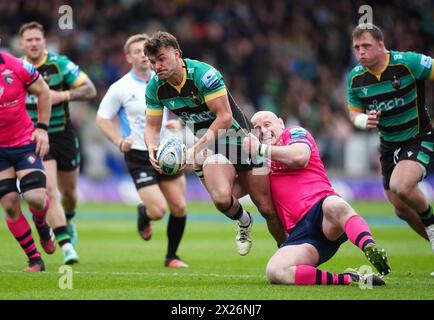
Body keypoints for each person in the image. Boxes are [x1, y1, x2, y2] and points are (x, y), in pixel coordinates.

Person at [143, 31, 287, 256]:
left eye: (161, 59)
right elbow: (152, 127)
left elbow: (225, 118)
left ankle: (286, 252)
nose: (156, 66)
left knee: (267, 208)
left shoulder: (204, 75)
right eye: (152, 62)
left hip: (243, 142)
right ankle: (244, 220)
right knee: (220, 199)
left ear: (177, 54)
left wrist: (195, 149)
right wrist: (152, 147)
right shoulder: (155, 88)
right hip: (214, 147)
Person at [243, 111, 390, 286]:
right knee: (275, 271)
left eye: (267, 124)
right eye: (257, 128)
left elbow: (300, 157)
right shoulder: (259, 162)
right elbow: (252, 197)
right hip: (301, 234)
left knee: (336, 205)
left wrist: (260, 148)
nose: (263, 130)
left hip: (323, 213)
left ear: (281, 124)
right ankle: (351, 279)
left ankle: (369, 247)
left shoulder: (294, 133)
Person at [96, 34, 188, 268]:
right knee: (158, 210)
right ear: (128, 57)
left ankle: (172, 257)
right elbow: (103, 119)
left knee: (179, 206)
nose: (142, 56)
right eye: (136, 52)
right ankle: (144, 213)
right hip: (138, 153)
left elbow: (185, 108)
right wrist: (118, 141)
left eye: (144, 52)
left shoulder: (166, 79)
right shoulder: (120, 88)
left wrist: (180, 124)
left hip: (168, 149)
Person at [347, 23, 434, 252]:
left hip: (418, 136)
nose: (361, 52)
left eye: (366, 46)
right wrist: (364, 120)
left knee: (401, 186)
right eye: (357, 47)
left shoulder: (408, 62)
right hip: (388, 145)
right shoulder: (356, 78)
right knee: (400, 208)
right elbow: (353, 113)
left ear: (381, 45)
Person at [19, 21, 97, 264]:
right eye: (28, 40)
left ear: (44, 41)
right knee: (49, 190)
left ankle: (69, 218)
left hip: (63, 134)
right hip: (36, 137)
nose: (33, 43)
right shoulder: (15, 68)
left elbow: (90, 90)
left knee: (70, 192)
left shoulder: (59, 64)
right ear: (21, 44)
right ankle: (66, 247)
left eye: (37, 39)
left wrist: (62, 95)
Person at [0, 49, 54, 272]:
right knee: (11, 204)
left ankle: (41, 224)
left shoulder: (18, 66)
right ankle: (34, 259)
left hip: (23, 143)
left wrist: (42, 129)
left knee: (35, 199)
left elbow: (43, 91)